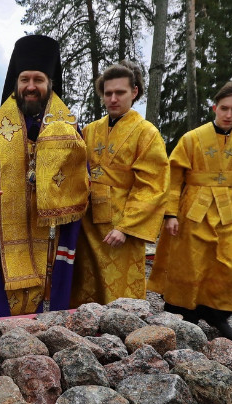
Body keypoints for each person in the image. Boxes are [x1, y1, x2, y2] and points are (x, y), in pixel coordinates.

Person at [0, 35, 89, 317]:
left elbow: (80, 177)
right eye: (25, 79)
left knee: (51, 296)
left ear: (50, 84)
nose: (31, 86)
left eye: (39, 79)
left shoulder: (68, 125)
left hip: (51, 231)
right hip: (8, 224)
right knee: (4, 298)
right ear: (16, 81)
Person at [148, 80, 232, 344]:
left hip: (229, 211)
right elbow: (174, 177)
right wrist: (171, 214)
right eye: (224, 108)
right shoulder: (192, 138)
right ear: (214, 107)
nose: (228, 114)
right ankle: (186, 315)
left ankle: (218, 313)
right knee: (190, 264)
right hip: (193, 209)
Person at [70, 60, 170, 307]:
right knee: (84, 283)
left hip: (121, 224)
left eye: (120, 92)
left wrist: (126, 227)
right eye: (108, 93)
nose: (113, 98)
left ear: (134, 92)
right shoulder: (90, 130)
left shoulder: (147, 133)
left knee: (119, 288)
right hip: (87, 221)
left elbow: (152, 186)